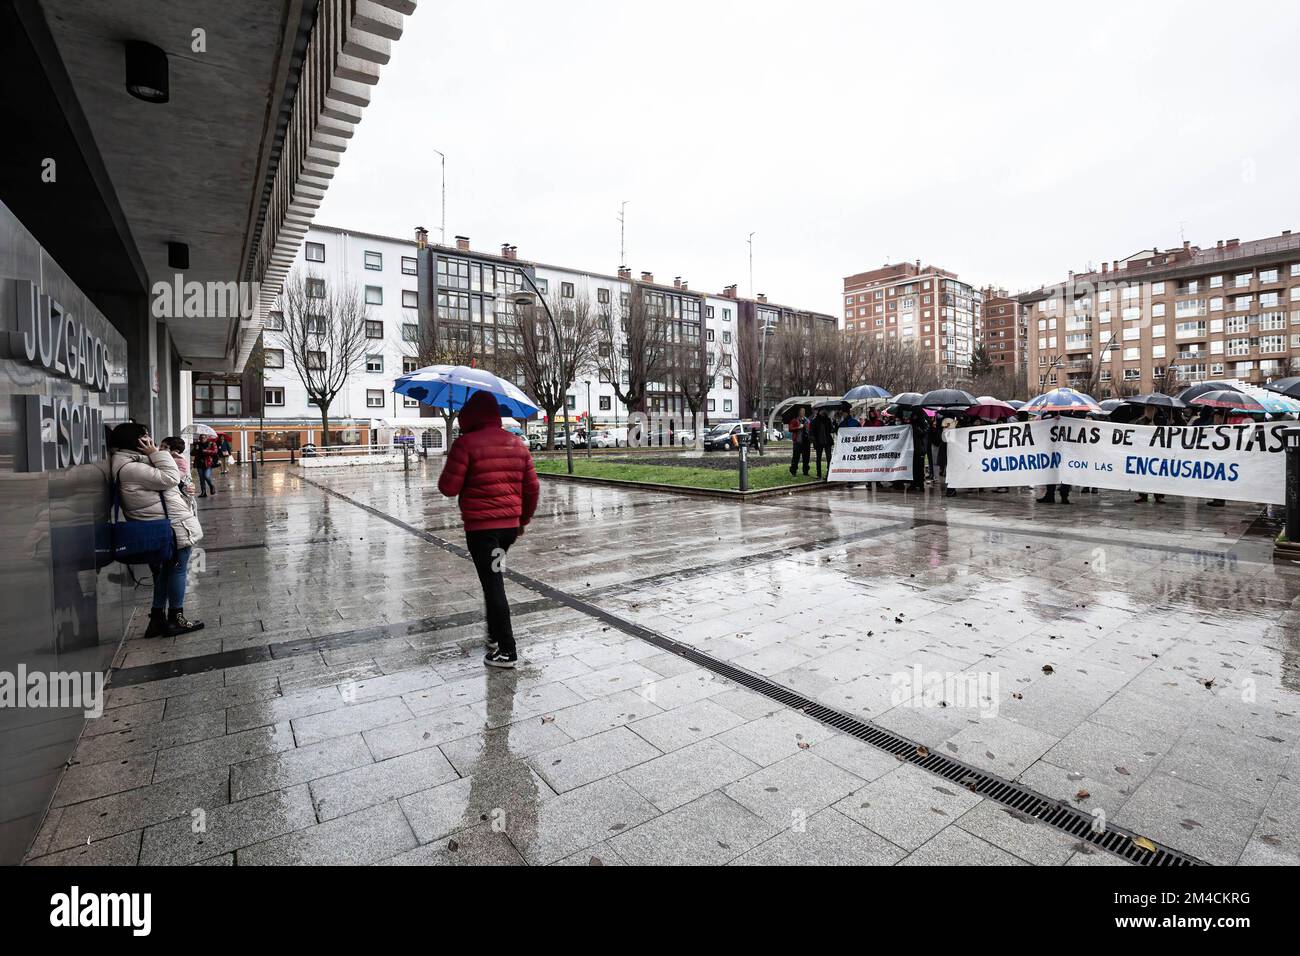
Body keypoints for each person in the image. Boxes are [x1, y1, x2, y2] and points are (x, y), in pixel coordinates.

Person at [438, 390, 540, 668]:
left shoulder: (466, 444)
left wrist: (455, 460)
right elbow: (532, 488)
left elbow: (448, 488)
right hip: (507, 529)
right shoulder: (517, 444)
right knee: (492, 580)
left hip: (482, 530)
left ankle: (507, 650)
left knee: (493, 585)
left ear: (469, 415)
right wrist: (523, 521)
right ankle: (494, 637)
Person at [110, 423, 205, 638]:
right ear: (137, 441)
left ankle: (157, 619)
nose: (150, 439)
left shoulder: (129, 464)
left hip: (165, 524)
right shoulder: (131, 468)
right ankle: (175, 618)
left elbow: (171, 482)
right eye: (145, 436)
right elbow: (170, 477)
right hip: (171, 527)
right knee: (178, 570)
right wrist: (156, 453)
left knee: (164, 573)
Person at [1134, 404, 1168, 502]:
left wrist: (1155, 428)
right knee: (1142, 474)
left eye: (1151, 410)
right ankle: (1142, 495)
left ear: (1155, 411)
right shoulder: (1139, 421)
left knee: (1158, 475)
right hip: (1144, 452)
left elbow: (1165, 436)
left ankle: (1159, 496)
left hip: (1157, 453)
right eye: (1147, 410)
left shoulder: (1161, 421)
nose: (1149, 412)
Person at [1035, 412, 1071, 504]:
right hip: (1050, 448)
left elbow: (1075, 424)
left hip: (1065, 449)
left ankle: (1064, 496)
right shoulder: (1047, 414)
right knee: (1051, 472)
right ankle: (1050, 495)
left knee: (1066, 473)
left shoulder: (1069, 414)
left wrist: (1063, 419)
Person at [809, 408, 835, 478]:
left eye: (824, 410)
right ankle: (818, 474)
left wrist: (833, 423)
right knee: (818, 458)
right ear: (819, 411)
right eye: (822, 410)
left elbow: (831, 430)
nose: (823, 412)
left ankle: (829, 473)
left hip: (827, 441)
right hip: (818, 441)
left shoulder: (828, 420)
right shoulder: (814, 421)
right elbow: (812, 432)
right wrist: (813, 440)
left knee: (829, 457)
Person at [908, 409, 929, 492]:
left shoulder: (923, 422)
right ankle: (914, 483)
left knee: (919, 466)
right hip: (913, 447)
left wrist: (918, 429)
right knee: (913, 466)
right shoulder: (913, 423)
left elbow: (924, 432)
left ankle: (920, 484)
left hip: (919, 447)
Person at [788, 408, 811, 476]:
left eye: (804, 411)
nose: (803, 412)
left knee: (806, 457)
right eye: (802, 411)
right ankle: (793, 471)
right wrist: (798, 427)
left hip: (806, 441)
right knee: (796, 457)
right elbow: (790, 429)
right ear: (798, 412)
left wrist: (808, 427)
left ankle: (805, 471)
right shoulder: (795, 420)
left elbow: (810, 429)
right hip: (798, 441)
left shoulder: (807, 420)